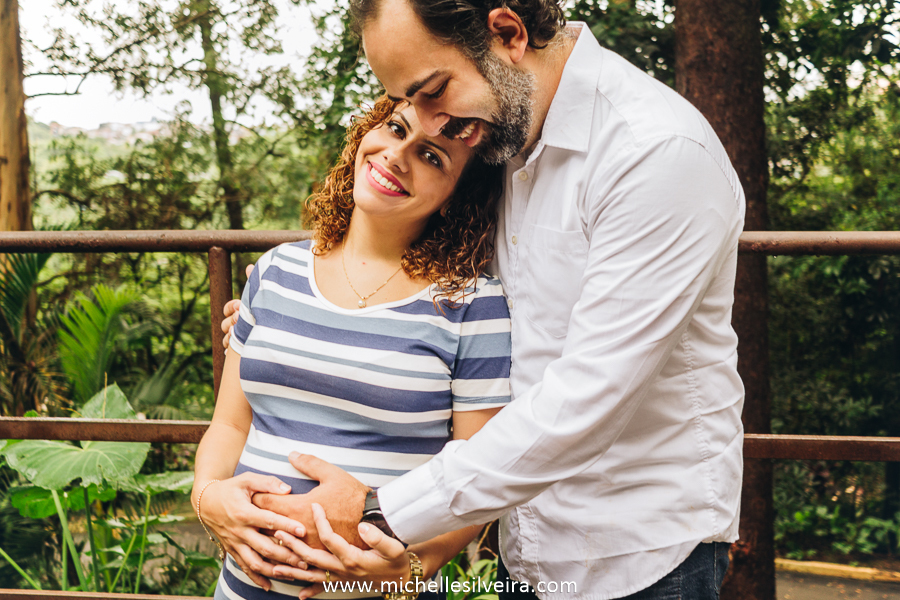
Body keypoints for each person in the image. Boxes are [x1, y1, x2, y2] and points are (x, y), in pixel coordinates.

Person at [224, 1, 746, 598]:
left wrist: (376, 509)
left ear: (507, 33)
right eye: (405, 102)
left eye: (433, 89)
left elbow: (589, 400)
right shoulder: (500, 132)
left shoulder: (655, 153)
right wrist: (297, 327)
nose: (429, 123)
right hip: (525, 541)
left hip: (638, 552)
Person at [192, 96, 512, 599]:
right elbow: (230, 424)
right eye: (395, 127)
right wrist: (207, 496)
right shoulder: (275, 271)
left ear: (457, 194)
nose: (395, 155)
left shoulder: (473, 304)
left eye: (433, 156)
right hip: (241, 588)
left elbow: (477, 477)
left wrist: (410, 570)